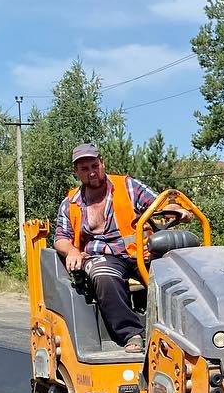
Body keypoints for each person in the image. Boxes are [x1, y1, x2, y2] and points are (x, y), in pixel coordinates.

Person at [52, 143, 189, 353]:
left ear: (102, 163)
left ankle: (180, 331)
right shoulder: (70, 203)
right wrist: (71, 250)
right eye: (84, 169)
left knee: (173, 275)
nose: (91, 172)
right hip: (101, 256)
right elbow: (61, 238)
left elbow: (158, 205)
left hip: (140, 252)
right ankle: (132, 334)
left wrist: (178, 209)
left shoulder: (128, 187)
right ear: (76, 172)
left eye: (94, 166)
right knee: (103, 276)